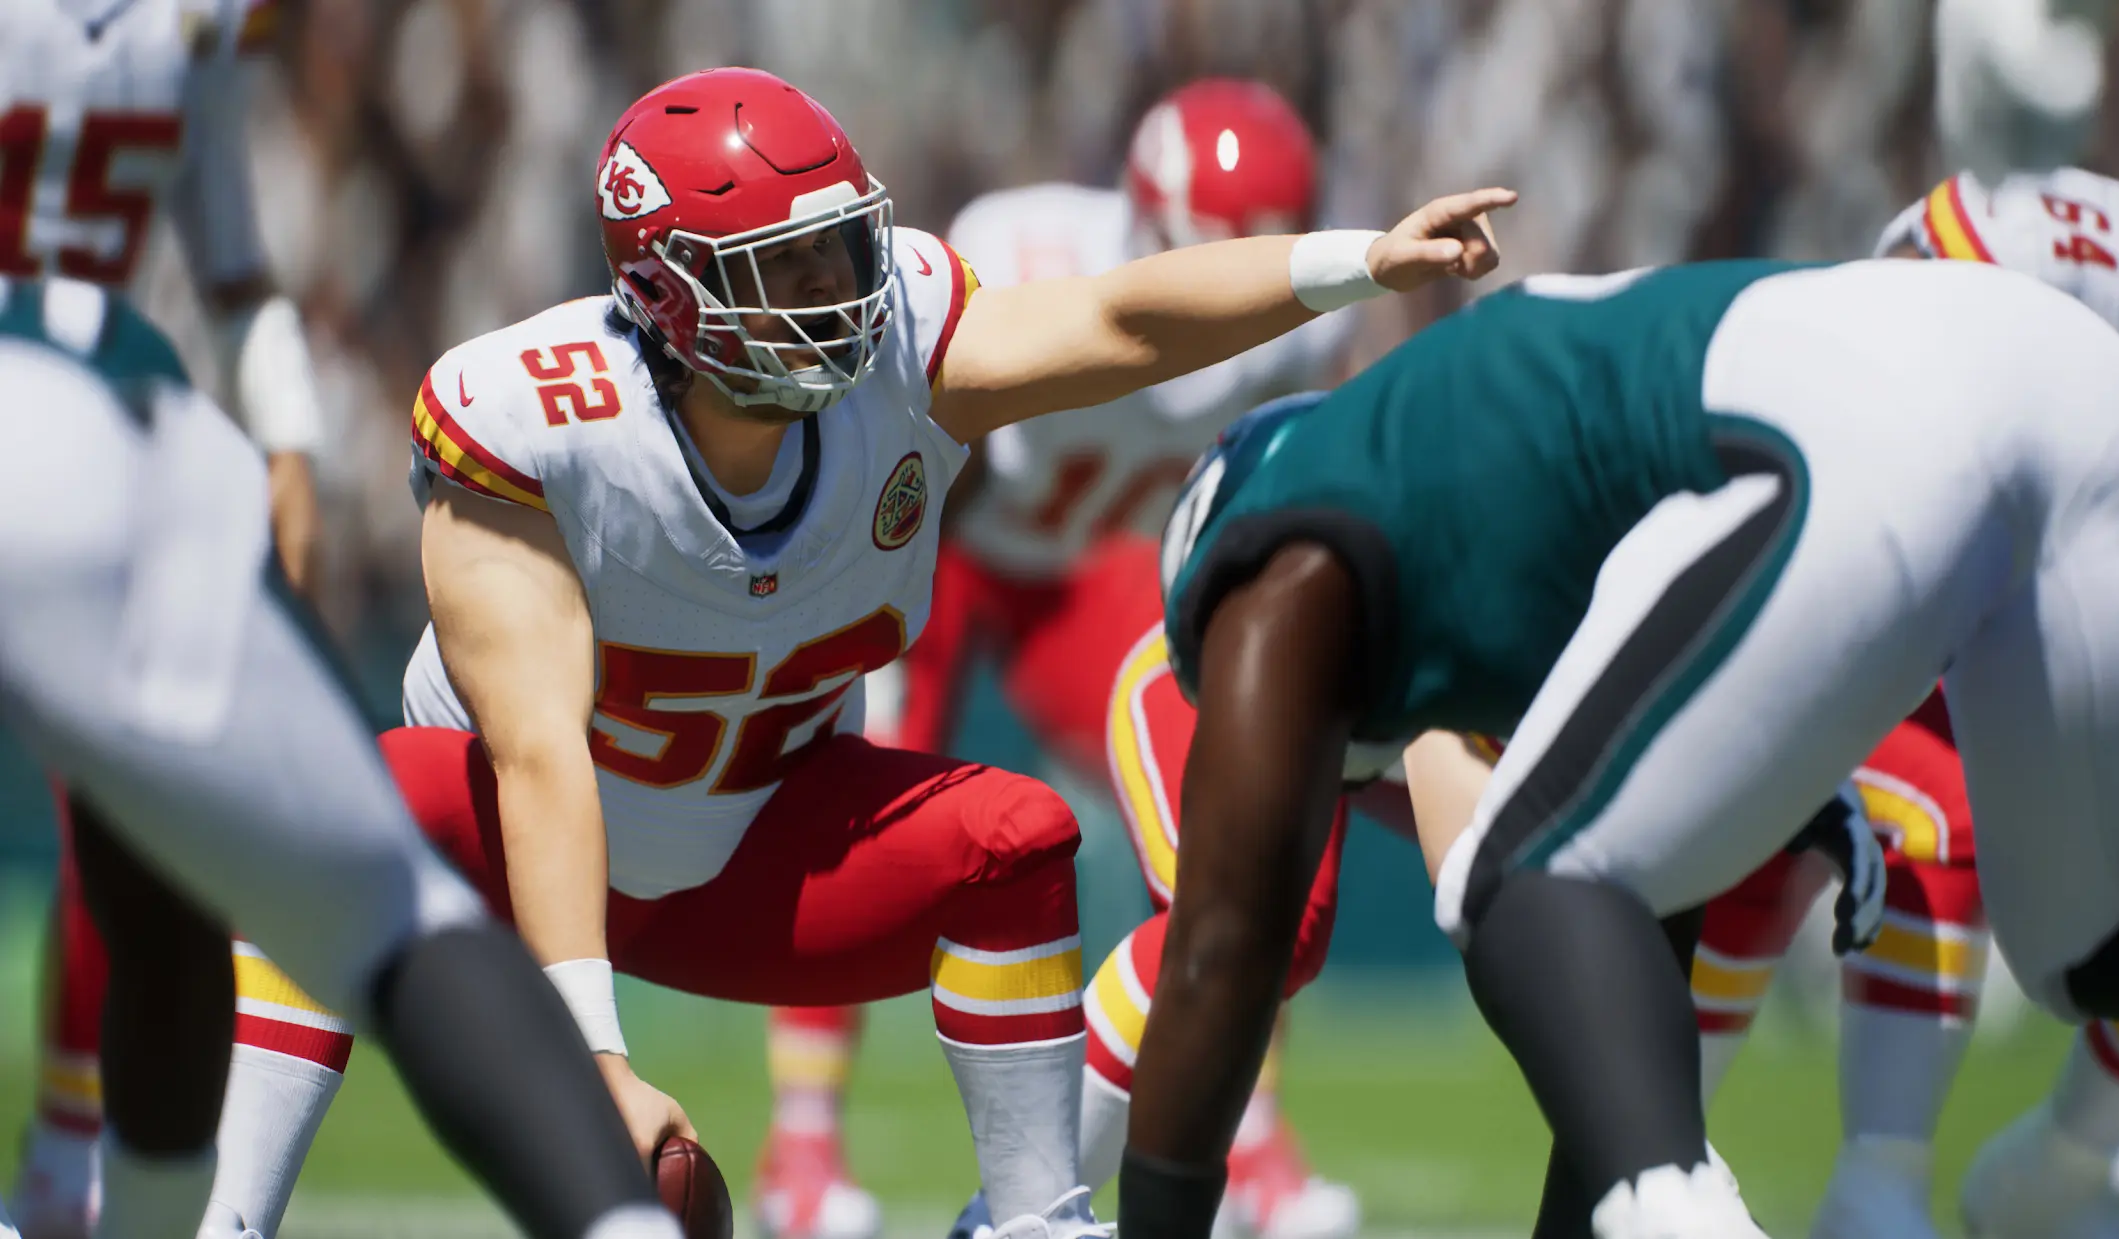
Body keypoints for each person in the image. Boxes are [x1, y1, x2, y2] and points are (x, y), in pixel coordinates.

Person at [189, 64, 1515, 1239]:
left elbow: (1114, 322)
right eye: (789, 268)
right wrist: (593, 1052)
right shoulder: (532, 423)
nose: (838, 292)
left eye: (838, 248)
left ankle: (1032, 1216)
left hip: (754, 849)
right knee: (333, 805)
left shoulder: (902, 350)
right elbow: (536, 758)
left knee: (1016, 839)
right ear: (667, 295)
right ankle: (228, 1217)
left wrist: (1356, 259)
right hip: (507, 857)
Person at [1117, 256, 2119, 1239]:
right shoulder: (1491, 481)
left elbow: (1222, 947)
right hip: (2078, 384)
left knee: (1515, 875)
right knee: (2117, 946)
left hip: (1875, 423)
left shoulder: (1283, 552)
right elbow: (1634, 942)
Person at [759, 78, 1357, 1239]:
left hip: (1084, 574)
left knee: (1228, 797)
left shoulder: (1309, 320)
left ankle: (1252, 1130)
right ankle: (801, 1146)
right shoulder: (1019, 248)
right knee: (848, 807)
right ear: (1148, 225)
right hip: (931, 540)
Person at [0, 274, 681, 1239]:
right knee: (378, 915)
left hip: (95, 426)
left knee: (175, 890)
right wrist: (286, 440)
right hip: (146, 425)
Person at [1674, 44, 2119, 1239]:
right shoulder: (2065, 252)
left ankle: (2081, 1153)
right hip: (1893, 586)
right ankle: (1670, 1156)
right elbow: (1891, 299)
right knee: (1814, 829)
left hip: (2062, 667)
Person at [0, 3, 335, 1230]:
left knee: (130, 829)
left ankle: (61, 1168)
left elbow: (231, 260)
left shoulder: (179, 30)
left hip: (88, 427)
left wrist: (290, 435)